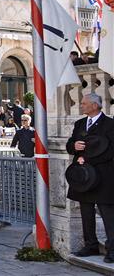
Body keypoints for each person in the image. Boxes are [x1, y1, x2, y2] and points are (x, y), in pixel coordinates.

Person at [67, 94, 114, 261]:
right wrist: (74, 146)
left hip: (103, 177)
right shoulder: (80, 124)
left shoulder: (110, 124)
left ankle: (112, 249)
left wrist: (87, 159)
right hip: (83, 178)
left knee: (108, 214)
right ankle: (91, 245)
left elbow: (110, 151)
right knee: (86, 212)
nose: (81, 106)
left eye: (84, 103)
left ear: (95, 105)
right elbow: (69, 145)